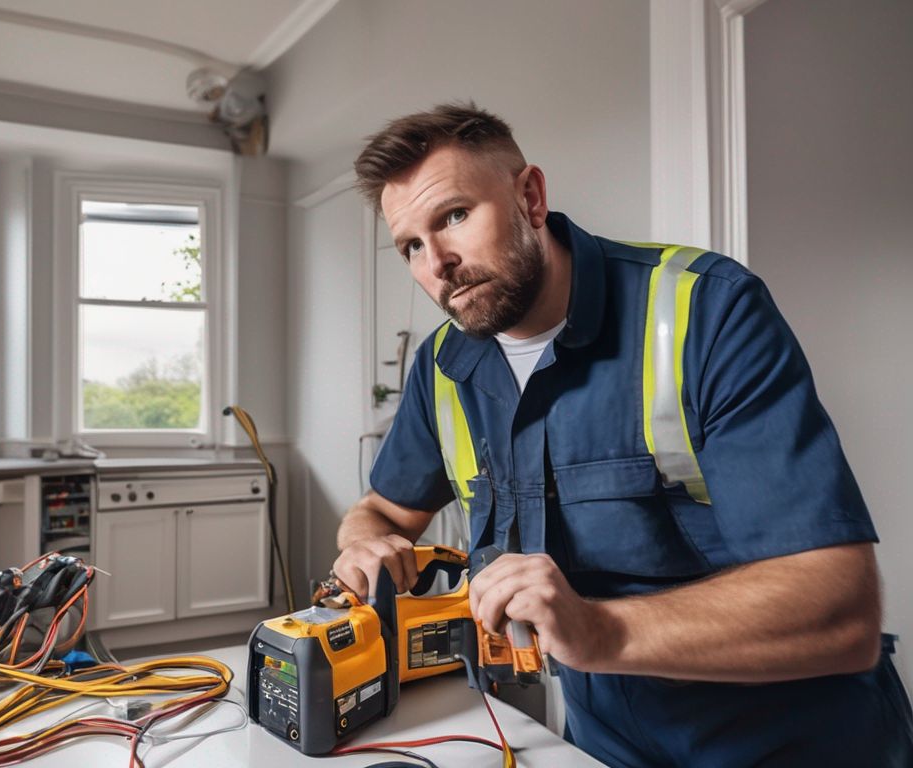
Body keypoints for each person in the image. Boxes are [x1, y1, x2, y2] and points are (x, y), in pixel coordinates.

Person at [334, 102, 913, 767]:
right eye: (410, 245)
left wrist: (599, 629)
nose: (437, 262)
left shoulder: (706, 310)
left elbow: (840, 611)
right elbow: (379, 512)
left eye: (456, 216)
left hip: (792, 739)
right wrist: (365, 546)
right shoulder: (442, 367)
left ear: (531, 197)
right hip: (605, 741)